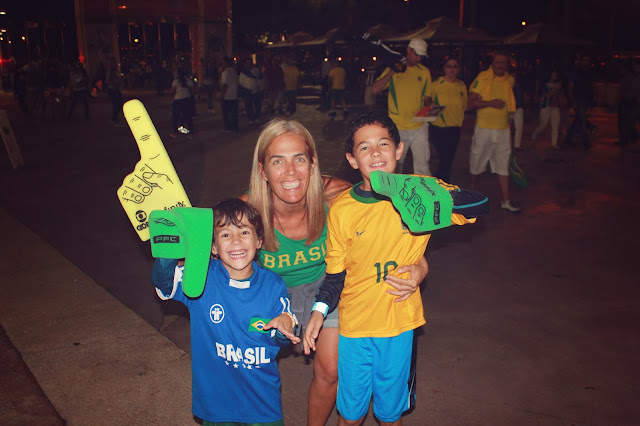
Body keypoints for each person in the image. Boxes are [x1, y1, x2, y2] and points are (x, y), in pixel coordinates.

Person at [243, 118, 428, 425]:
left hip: (327, 285)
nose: (290, 172)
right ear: (262, 170)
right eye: (278, 161)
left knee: (331, 370)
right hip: (274, 292)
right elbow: (205, 248)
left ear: (313, 163)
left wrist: (420, 268)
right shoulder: (246, 212)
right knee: (247, 366)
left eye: (299, 159)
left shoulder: (340, 198)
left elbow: (397, 241)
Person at [303, 111, 476, 426]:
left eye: (383, 144)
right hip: (354, 329)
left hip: (398, 326)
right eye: (364, 147)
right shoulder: (342, 209)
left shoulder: (418, 193)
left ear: (398, 150)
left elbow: (476, 205)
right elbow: (335, 274)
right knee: (350, 414)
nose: (375, 153)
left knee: (389, 414)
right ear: (352, 159)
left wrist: (432, 191)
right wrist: (318, 311)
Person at [151, 199, 299, 425]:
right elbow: (164, 282)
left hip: (261, 401)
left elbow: (284, 334)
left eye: (244, 232)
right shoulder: (200, 276)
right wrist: (168, 250)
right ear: (213, 247)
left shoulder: (272, 284)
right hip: (216, 402)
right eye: (225, 234)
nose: (236, 241)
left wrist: (283, 327)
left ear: (259, 240)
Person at [468, 51, 520, 213]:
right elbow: (471, 103)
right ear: (492, 63)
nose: (501, 65)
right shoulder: (482, 78)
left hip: (503, 129)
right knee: (477, 163)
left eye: (504, 62)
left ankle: (505, 201)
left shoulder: (509, 80)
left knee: (503, 165)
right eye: (498, 62)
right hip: (484, 128)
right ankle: (471, 197)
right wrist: (491, 103)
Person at [372, 38, 433, 175]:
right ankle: (393, 189)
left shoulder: (424, 72)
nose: (418, 59)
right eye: (416, 54)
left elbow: (427, 97)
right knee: (394, 165)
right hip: (398, 127)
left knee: (423, 166)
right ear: (408, 50)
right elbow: (375, 90)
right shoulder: (393, 69)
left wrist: (430, 104)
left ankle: (423, 189)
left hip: (419, 126)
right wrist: (392, 71)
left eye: (421, 56)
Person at [427, 56, 468, 182]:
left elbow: (464, 105)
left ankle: (440, 181)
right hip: (438, 127)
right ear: (444, 68)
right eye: (449, 66)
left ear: (458, 69)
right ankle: (444, 183)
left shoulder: (461, 85)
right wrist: (430, 103)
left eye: (455, 66)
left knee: (449, 158)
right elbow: (426, 98)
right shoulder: (437, 84)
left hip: (455, 127)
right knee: (445, 157)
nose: (452, 69)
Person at [564, 55, 595, 148]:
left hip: (586, 99)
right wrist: (572, 100)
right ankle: (586, 140)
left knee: (579, 118)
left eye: (587, 60)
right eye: (584, 60)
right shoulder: (576, 72)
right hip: (578, 99)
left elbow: (592, 86)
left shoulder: (589, 73)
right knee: (581, 119)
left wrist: (593, 98)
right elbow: (570, 87)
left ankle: (569, 138)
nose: (586, 62)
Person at [531, 70, 563, 149]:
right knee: (543, 125)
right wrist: (555, 89)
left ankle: (554, 143)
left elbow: (560, 96)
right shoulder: (545, 85)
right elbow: (547, 96)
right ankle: (534, 134)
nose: (555, 75)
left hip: (555, 106)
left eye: (556, 74)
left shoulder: (558, 84)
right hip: (546, 106)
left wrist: (558, 89)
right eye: (553, 74)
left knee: (555, 125)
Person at [170, 69, 195, 138]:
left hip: (178, 100)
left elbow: (173, 92)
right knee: (188, 116)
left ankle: (175, 132)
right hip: (187, 99)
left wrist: (173, 98)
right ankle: (190, 132)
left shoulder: (175, 82)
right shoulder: (188, 81)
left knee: (175, 117)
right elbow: (192, 90)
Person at [220, 57, 239, 132]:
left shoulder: (225, 73)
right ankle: (235, 127)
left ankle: (228, 127)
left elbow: (225, 85)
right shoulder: (233, 71)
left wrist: (222, 95)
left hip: (227, 96)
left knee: (226, 113)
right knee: (234, 113)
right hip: (234, 95)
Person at [239, 57, 260, 124]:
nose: (248, 64)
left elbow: (258, 78)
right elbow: (241, 82)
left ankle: (256, 117)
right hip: (247, 91)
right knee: (248, 105)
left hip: (255, 90)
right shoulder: (243, 72)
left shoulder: (255, 70)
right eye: (247, 63)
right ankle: (251, 118)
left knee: (257, 105)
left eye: (249, 63)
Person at [106, 58, 124, 126]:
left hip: (115, 89)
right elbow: (109, 80)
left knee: (118, 104)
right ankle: (114, 118)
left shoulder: (114, 71)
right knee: (116, 104)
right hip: (113, 89)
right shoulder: (111, 72)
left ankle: (115, 118)